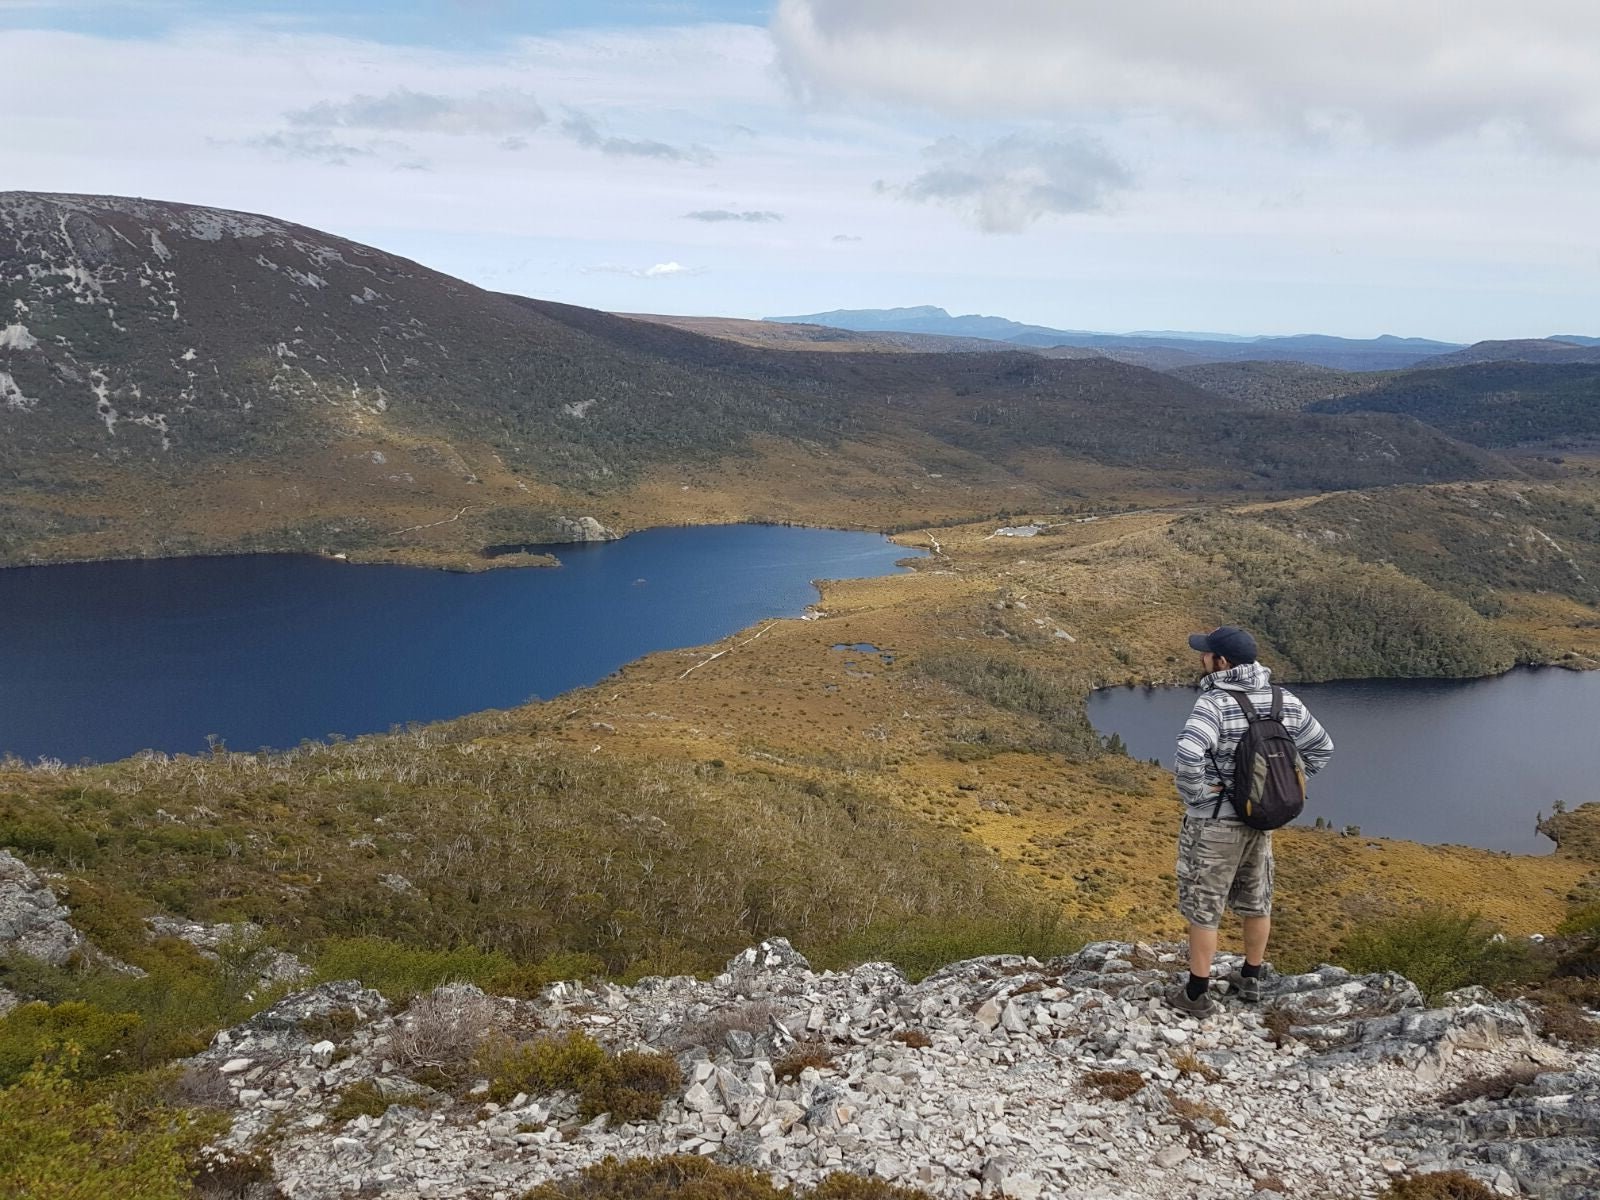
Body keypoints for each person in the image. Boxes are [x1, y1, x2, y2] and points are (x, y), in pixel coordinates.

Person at [1168, 625, 1333, 1015]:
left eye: (1207, 653)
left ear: (1222, 662)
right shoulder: (1282, 699)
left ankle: (1196, 994)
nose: (1202, 658)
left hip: (1215, 824)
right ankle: (1251, 978)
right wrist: (1286, 786)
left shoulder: (1214, 702)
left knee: (1205, 906)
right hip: (1261, 819)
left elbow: (1189, 752)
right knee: (1257, 900)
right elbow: (1322, 747)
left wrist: (1197, 794)